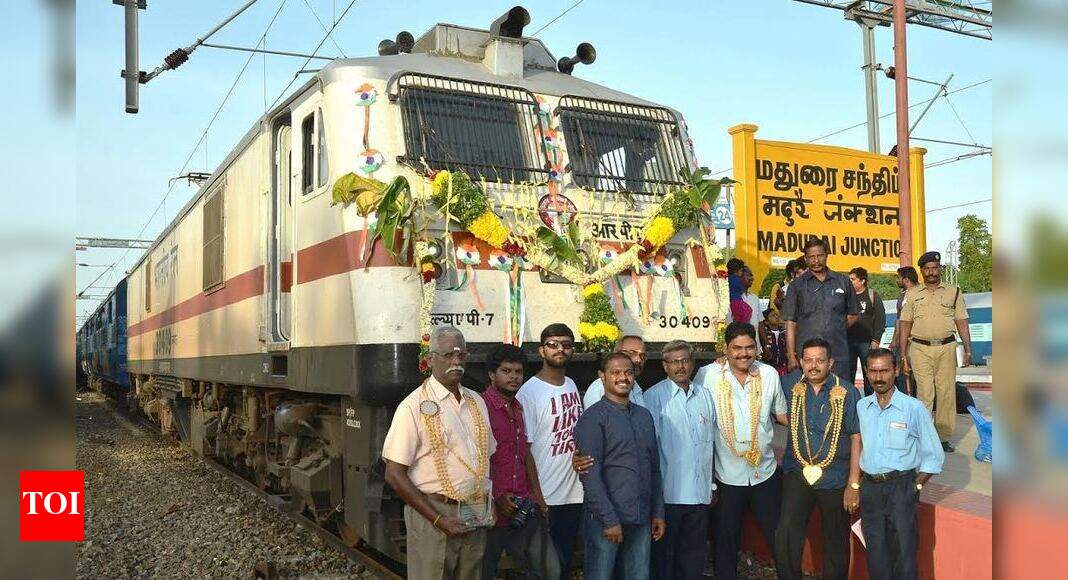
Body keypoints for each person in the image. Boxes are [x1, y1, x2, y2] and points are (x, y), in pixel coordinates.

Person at [382, 326, 497, 580]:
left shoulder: (477, 401)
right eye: (448, 355)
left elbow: (487, 457)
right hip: (433, 513)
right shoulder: (412, 406)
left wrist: (490, 502)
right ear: (430, 359)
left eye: (461, 356)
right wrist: (437, 519)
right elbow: (394, 474)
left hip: (474, 511)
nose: (456, 362)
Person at [695, 322, 788, 580]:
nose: (744, 353)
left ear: (757, 348)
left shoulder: (769, 374)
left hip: (764, 471)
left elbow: (781, 414)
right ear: (725, 349)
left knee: (777, 536)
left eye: (749, 347)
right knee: (725, 540)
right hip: (726, 474)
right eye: (736, 348)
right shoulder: (706, 375)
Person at [774, 338, 861, 580]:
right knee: (787, 532)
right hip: (797, 472)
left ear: (830, 362)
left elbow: (856, 436)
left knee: (835, 538)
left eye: (820, 360)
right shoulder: (789, 384)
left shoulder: (847, 391)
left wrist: (853, 483)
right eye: (808, 360)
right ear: (801, 361)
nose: (814, 366)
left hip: (835, 475)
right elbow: (756, 376)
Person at [574, 353, 666, 580]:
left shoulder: (644, 416)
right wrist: (609, 520)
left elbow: (653, 468)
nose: (623, 377)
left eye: (628, 372)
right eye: (615, 372)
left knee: (638, 575)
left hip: (641, 517)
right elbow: (590, 474)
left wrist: (658, 513)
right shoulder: (593, 418)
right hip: (606, 518)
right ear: (602, 376)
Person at [858, 348, 945, 580]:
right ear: (867, 373)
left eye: (885, 370)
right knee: (875, 554)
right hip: (870, 489)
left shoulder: (913, 408)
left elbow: (934, 455)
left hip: (901, 487)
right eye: (874, 371)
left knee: (905, 555)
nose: (879, 377)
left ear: (896, 371)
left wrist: (915, 486)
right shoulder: (862, 407)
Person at [480, 344, 560, 580]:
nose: (514, 377)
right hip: (492, 510)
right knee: (485, 572)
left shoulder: (518, 407)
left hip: (524, 506)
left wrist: (539, 499)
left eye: (518, 371)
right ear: (492, 375)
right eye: (506, 371)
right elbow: (474, 460)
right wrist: (495, 496)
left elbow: (524, 454)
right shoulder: (480, 407)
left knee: (549, 570)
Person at [516, 324, 585, 578]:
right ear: (541, 350)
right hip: (545, 498)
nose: (560, 349)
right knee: (543, 569)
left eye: (566, 344)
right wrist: (537, 497)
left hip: (573, 495)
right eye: (553, 344)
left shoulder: (571, 384)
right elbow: (525, 450)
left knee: (563, 565)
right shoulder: (529, 392)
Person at [644, 341, 716, 580]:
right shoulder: (653, 398)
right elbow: (649, 450)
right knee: (665, 559)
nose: (680, 366)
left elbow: (712, 444)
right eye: (674, 362)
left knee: (693, 557)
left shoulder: (705, 395)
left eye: (685, 360)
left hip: (699, 494)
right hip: (669, 496)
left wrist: (712, 485)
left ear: (693, 364)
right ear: (665, 366)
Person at [898, 251, 974, 452]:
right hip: (920, 348)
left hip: (947, 348)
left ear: (940, 269)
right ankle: (924, 436)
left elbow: (962, 321)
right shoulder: (912, 294)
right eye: (927, 269)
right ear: (921, 271)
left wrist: (968, 349)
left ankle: (942, 438)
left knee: (946, 393)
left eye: (934, 268)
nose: (931, 272)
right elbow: (905, 324)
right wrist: (903, 354)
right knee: (925, 394)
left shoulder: (954, 292)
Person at [781, 238, 860, 381]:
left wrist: (836, 327)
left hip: (837, 354)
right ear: (806, 259)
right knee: (807, 399)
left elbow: (854, 314)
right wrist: (791, 355)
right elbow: (790, 323)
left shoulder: (843, 281)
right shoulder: (797, 286)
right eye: (811, 257)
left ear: (827, 255)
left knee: (840, 397)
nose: (816, 260)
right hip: (807, 357)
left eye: (820, 255)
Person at [846, 267, 887, 396]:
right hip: (848, 342)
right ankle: (849, 403)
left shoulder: (872, 295)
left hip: (867, 342)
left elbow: (881, 318)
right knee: (848, 375)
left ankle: (871, 402)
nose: (850, 282)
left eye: (853, 279)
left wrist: (876, 340)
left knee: (870, 374)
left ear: (862, 281)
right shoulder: (846, 296)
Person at [583, 335, 647, 408]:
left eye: (642, 356)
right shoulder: (601, 387)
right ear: (616, 354)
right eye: (631, 353)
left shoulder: (636, 389)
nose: (638, 360)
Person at [889, 266, 919, 395]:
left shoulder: (921, 293)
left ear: (906, 279)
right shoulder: (901, 296)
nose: (897, 281)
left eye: (899, 278)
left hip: (917, 340)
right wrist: (894, 340)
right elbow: (899, 320)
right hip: (903, 342)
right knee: (902, 372)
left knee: (917, 373)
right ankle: (905, 398)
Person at [728, 266, 765, 356]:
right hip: (738, 347)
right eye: (748, 275)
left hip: (754, 347)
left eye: (752, 275)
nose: (752, 278)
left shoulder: (755, 298)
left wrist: (766, 346)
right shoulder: (730, 297)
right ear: (739, 277)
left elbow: (760, 323)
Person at [762, 309, 789, 375]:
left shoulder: (784, 332)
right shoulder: (764, 334)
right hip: (769, 365)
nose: (776, 317)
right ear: (766, 322)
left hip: (783, 366)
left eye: (776, 315)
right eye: (772, 316)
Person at [727, 257, 752, 324]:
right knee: (747, 311)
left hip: (733, 301)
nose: (741, 273)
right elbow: (742, 289)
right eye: (741, 271)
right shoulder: (737, 280)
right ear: (736, 271)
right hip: (737, 301)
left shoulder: (728, 278)